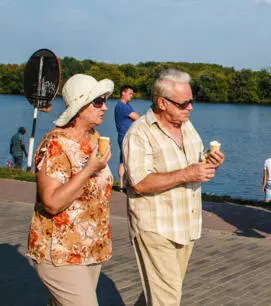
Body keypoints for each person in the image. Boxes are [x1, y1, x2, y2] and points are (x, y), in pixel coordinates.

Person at [123, 68, 224, 306]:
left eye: (192, 101)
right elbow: (139, 183)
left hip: (186, 226)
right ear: (162, 103)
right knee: (166, 299)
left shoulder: (187, 126)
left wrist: (210, 161)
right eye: (183, 103)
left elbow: (195, 164)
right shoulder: (139, 134)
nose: (190, 108)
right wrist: (188, 173)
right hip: (155, 228)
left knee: (164, 293)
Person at [27, 74, 114, 305]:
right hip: (59, 251)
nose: (105, 106)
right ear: (79, 106)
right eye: (98, 101)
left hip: (90, 249)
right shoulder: (56, 144)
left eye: (104, 100)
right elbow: (52, 202)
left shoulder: (95, 140)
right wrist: (89, 170)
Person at [114, 84, 139, 187]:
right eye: (130, 93)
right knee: (129, 160)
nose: (131, 96)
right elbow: (137, 117)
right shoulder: (122, 106)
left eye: (132, 94)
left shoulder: (126, 105)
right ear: (123, 93)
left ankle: (121, 185)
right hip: (126, 136)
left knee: (122, 160)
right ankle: (127, 184)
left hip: (124, 136)